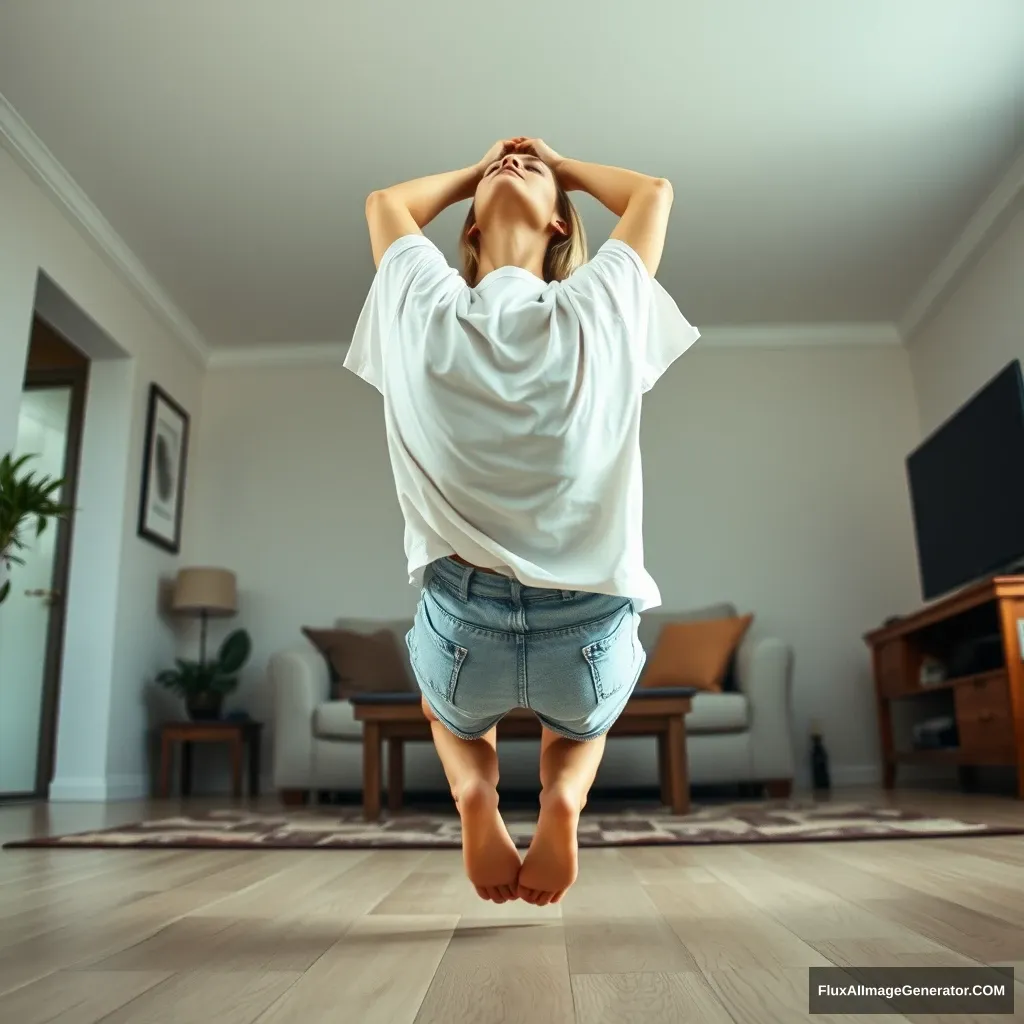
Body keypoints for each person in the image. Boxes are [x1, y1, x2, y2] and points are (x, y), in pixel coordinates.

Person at [344, 137, 699, 906]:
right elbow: (653, 194)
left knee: (451, 716)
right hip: (589, 631)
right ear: (470, 228)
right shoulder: (598, 302)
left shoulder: (426, 302)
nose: (513, 163)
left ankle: (476, 794)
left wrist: (486, 172)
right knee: (579, 728)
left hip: (464, 629)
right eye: (503, 170)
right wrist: (551, 167)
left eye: (529, 169)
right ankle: (562, 797)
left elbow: (388, 206)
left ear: (562, 227)